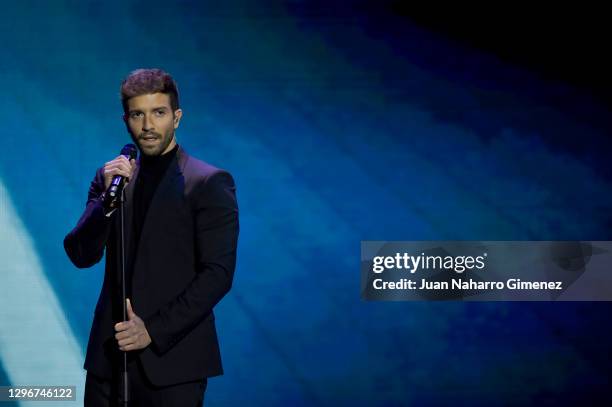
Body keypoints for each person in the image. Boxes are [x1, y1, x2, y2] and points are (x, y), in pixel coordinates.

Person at [64, 68, 239, 406]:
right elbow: (81, 254)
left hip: (173, 364)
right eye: (137, 115)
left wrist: (152, 330)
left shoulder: (208, 183)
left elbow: (217, 274)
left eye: (158, 113)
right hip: (108, 363)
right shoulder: (111, 178)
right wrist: (106, 202)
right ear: (125, 119)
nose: (147, 126)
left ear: (177, 117)